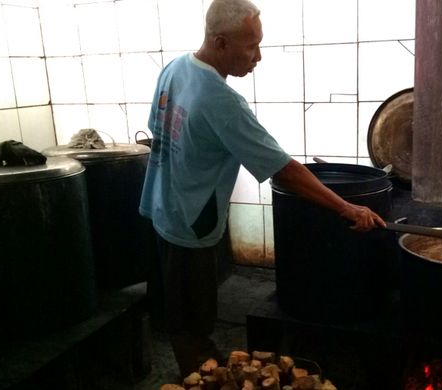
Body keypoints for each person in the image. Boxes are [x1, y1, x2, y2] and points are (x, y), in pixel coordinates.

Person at [138, 0, 386, 378]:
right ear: (220, 43)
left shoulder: (175, 68)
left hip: (161, 205)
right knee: (192, 320)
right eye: (251, 45)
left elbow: (158, 130)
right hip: (191, 224)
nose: (259, 56)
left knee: (177, 309)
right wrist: (346, 208)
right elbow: (283, 170)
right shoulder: (222, 101)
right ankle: (201, 376)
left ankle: (200, 363)